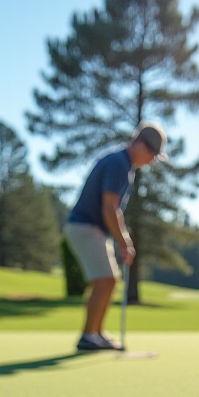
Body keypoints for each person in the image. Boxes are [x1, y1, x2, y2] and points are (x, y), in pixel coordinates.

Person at [63, 122, 166, 351]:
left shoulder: (123, 163)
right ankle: (89, 335)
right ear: (141, 145)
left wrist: (121, 239)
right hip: (86, 226)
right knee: (106, 279)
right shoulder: (119, 164)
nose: (150, 161)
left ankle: (95, 334)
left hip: (90, 228)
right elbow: (109, 208)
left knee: (108, 280)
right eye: (151, 155)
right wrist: (124, 242)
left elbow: (112, 210)